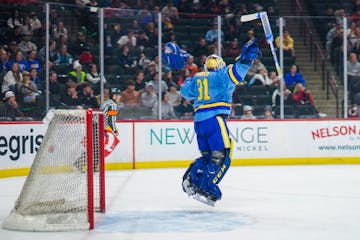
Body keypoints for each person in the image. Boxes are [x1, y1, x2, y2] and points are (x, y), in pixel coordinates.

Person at [173, 39, 260, 205]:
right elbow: (237, 71)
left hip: (199, 123)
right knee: (221, 157)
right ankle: (207, 186)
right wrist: (248, 58)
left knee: (208, 157)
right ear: (220, 65)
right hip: (215, 121)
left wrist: (186, 75)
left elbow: (185, 92)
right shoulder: (221, 76)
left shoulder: (197, 77)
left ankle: (191, 179)